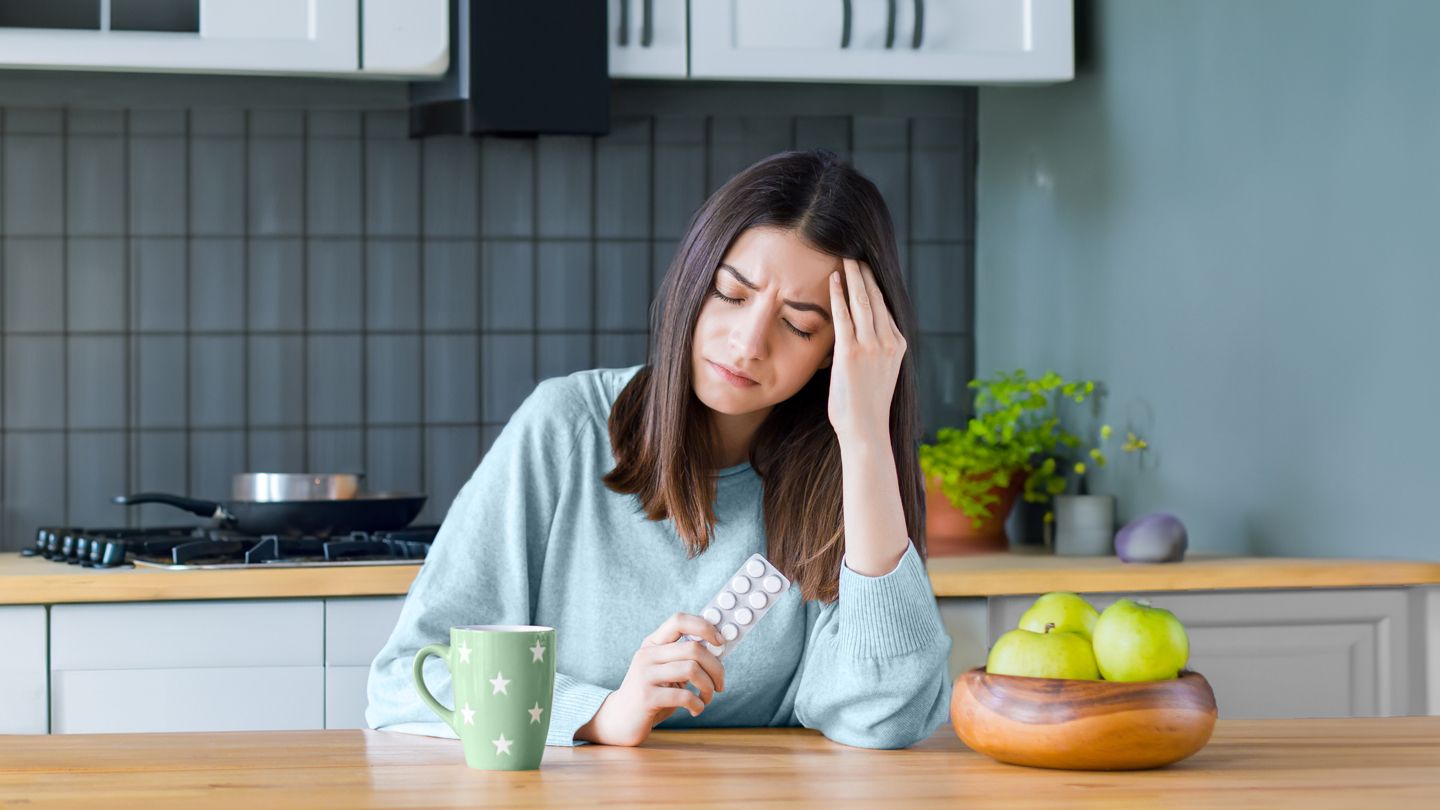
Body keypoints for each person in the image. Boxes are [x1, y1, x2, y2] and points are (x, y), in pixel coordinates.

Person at [366, 149, 952, 749]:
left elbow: (885, 716)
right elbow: (409, 677)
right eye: (730, 294)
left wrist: (865, 442)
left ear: (838, 349)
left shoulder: (849, 478)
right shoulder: (566, 426)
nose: (748, 343)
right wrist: (603, 715)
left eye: (799, 325)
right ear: (692, 284)